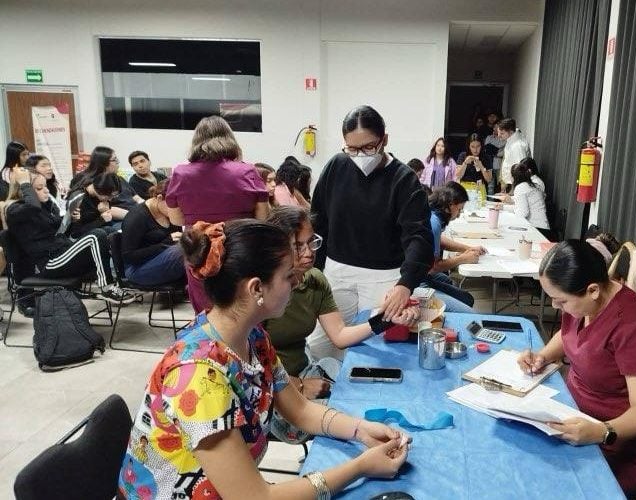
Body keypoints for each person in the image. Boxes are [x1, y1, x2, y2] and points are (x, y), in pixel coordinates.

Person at [117, 218, 410, 499]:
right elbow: (258, 497)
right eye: (288, 276)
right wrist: (360, 467)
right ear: (256, 288)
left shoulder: (252, 338)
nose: (297, 282)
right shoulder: (198, 378)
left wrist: (360, 430)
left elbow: (301, 410)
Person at [517, 240, 636, 494]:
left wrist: (600, 431)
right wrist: (543, 356)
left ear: (593, 290)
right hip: (574, 415)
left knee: (545, 487)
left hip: (620, 444)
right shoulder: (581, 303)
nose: (555, 307)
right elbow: (569, 335)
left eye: (560, 301)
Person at [264, 206, 419, 442]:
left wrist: (386, 320)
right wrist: (299, 385)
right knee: (354, 414)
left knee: (361, 390)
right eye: (297, 246)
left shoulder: (314, 280)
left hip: (303, 372)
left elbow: (339, 335)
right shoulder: (264, 292)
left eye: (311, 242)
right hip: (275, 392)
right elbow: (250, 368)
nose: (308, 253)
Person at [309, 105, 433, 360]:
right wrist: (314, 269)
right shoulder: (336, 167)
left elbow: (418, 237)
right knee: (321, 345)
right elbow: (318, 220)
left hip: (383, 278)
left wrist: (405, 284)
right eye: (352, 149)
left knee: (375, 349)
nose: (360, 155)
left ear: (384, 140)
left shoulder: (404, 180)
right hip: (336, 271)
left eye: (368, 147)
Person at [165, 115, 269, 313]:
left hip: (199, 252)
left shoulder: (180, 174)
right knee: (242, 309)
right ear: (229, 139)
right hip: (240, 249)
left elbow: (176, 218)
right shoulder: (247, 171)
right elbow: (263, 218)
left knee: (207, 312)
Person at [6, 170, 132, 303]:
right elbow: (32, 207)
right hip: (50, 262)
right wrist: (25, 183)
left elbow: (59, 228)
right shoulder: (14, 210)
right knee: (96, 236)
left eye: (45, 186)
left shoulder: (44, 206)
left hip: (62, 251)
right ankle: (106, 287)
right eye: (39, 188)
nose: (47, 191)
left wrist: (73, 219)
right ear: (23, 191)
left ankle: (124, 278)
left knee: (108, 231)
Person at [423, 182, 485, 312]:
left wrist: (467, 248)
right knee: (470, 312)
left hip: (420, 274)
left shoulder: (433, 214)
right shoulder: (434, 223)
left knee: (465, 297)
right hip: (416, 283)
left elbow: (439, 241)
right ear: (450, 205)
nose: (459, 214)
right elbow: (433, 268)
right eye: (459, 209)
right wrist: (463, 258)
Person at [121, 180, 185, 286]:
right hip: (138, 268)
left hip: (163, 258)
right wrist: (165, 244)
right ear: (159, 198)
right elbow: (129, 256)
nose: (177, 209)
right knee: (184, 251)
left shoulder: (169, 213)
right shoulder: (136, 217)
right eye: (174, 205)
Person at [63, 172, 122, 238]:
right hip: (73, 237)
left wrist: (104, 212)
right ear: (102, 190)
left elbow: (107, 223)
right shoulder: (78, 199)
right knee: (106, 232)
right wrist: (101, 220)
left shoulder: (101, 197)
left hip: (96, 230)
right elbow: (75, 234)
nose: (110, 199)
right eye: (110, 196)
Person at [500, 161, 549, 229]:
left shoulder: (521, 187)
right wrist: (503, 207)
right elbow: (521, 208)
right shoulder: (532, 185)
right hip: (542, 227)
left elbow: (522, 213)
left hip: (536, 228)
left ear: (514, 177)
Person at [455, 135, 492, 205]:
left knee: (481, 210)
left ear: (481, 146)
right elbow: (458, 176)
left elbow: (489, 179)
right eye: (472, 146)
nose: (475, 149)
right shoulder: (463, 156)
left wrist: (481, 166)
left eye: (478, 146)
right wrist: (465, 163)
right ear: (469, 146)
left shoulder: (486, 157)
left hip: (479, 189)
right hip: (464, 189)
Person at [497, 118, 531, 192]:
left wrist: (512, 189)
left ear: (511, 132)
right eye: (498, 132)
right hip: (510, 184)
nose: (499, 135)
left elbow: (520, 170)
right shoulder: (511, 140)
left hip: (515, 185)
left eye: (502, 133)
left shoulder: (518, 146)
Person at [483, 122, 505, 195]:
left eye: (498, 127)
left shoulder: (503, 139)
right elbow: (487, 150)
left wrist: (493, 150)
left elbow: (503, 152)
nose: (496, 129)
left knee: (502, 185)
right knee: (490, 186)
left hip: (499, 166)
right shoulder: (489, 137)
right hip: (489, 165)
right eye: (495, 127)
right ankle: (490, 200)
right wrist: (497, 150)